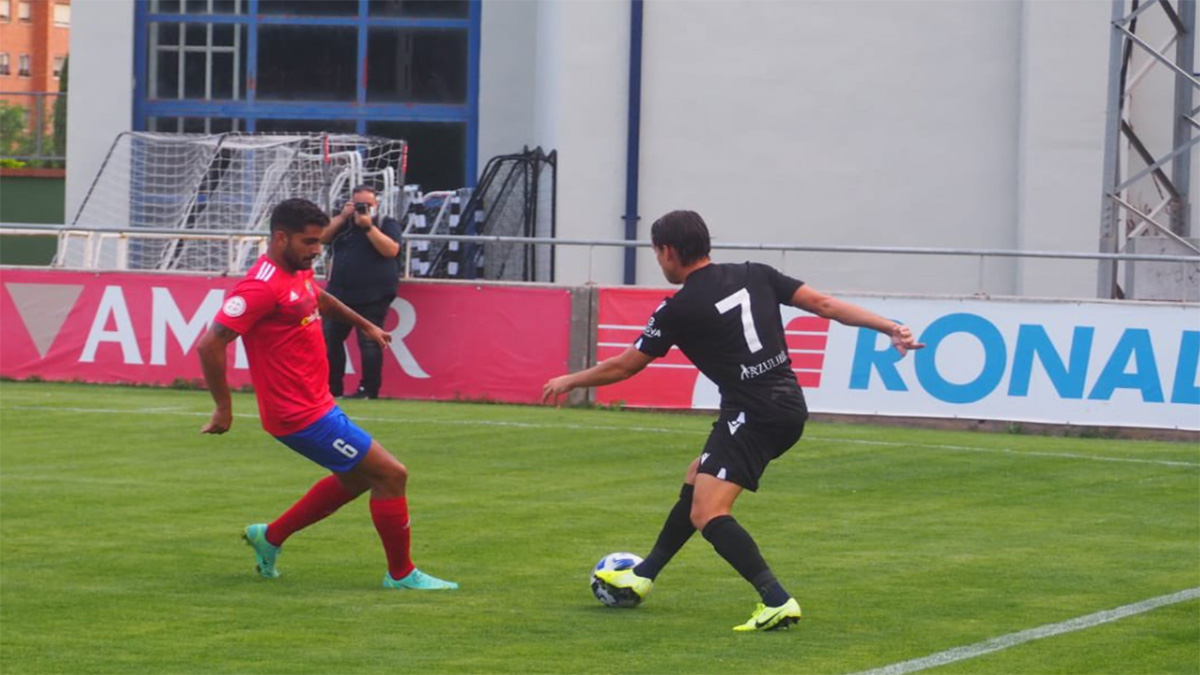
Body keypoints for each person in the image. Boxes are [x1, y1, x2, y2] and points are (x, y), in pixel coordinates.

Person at [542, 210, 923, 631]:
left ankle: (776, 600)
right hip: (786, 403)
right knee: (697, 475)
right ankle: (643, 574)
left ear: (668, 252)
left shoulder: (677, 309)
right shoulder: (754, 273)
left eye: (656, 252)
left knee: (709, 510)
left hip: (753, 412)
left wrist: (570, 380)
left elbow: (625, 366)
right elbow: (826, 305)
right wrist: (891, 326)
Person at [197, 197, 456, 591]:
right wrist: (223, 407)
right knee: (391, 474)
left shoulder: (295, 271)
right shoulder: (259, 288)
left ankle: (270, 537)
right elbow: (210, 344)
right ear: (280, 238)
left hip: (317, 403)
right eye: (309, 242)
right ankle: (401, 574)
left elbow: (317, 298)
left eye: (320, 242)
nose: (317, 250)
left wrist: (366, 325)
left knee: (356, 479)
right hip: (298, 415)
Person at [320, 184, 403, 400]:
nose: (362, 209)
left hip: (374, 294)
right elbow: (322, 237)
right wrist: (341, 217)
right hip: (339, 294)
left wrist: (368, 227)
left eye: (367, 205)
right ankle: (331, 389)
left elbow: (391, 250)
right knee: (330, 340)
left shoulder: (385, 223)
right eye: (358, 204)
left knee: (369, 342)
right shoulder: (343, 225)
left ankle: (368, 390)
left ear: (376, 205)